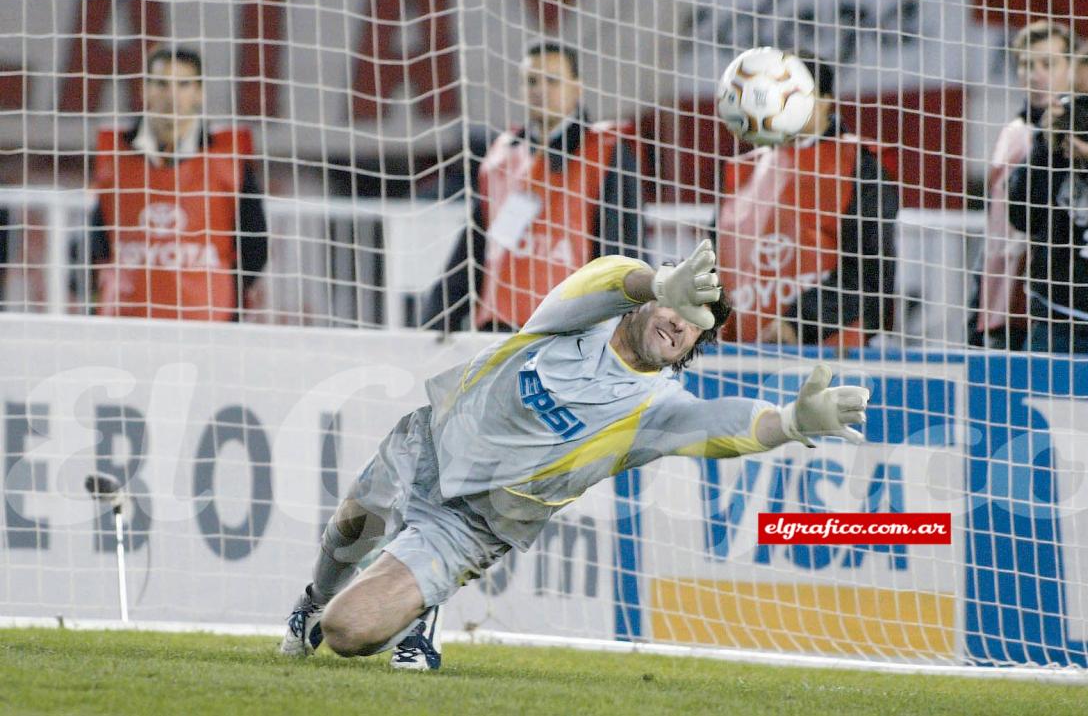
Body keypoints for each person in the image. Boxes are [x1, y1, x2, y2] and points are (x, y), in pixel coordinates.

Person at [280, 242, 870, 670]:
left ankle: (411, 603)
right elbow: (609, 278)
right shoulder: (575, 319)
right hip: (431, 442)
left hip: (475, 521)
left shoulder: (654, 411)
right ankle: (309, 602)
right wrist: (660, 282)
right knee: (351, 530)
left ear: (693, 348)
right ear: (650, 304)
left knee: (347, 632)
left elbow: (725, 423)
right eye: (675, 309)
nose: (677, 326)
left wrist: (792, 422)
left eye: (693, 328)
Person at [419, 40, 641, 332]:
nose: (540, 90)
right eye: (532, 81)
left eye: (552, 80)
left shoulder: (607, 151)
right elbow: (474, 245)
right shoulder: (502, 154)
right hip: (499, 328)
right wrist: (436, 319)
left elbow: (622, 249)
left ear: (576, 88)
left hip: (570, 330)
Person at [716, 55, 899, 350]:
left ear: (826, 101)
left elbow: (870, 272)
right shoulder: (743, 170)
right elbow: (715, 262)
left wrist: (799, 322)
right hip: (739, 352)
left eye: (795, 96)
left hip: (828, 353)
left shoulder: (860, 165)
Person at [86, 46, 268, 321]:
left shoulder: (228, 159)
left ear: (199, 93)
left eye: (183, 85)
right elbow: (95, 241)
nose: (172, 96)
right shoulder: (114, 156)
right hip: (125, 321)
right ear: (145, 90)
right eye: (161, 84)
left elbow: (255, 248)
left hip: (208, 322)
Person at [1008, 40, 1088, 356]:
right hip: (1052, 319)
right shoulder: (1057, 143)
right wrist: (1044, 146)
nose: (1085, 110)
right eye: (1077, 98)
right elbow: (1023, 217)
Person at [971, 21, 1076, 350]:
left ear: (1072, 68)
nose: (1035, 75)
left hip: (1056, 307)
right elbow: (995, 226)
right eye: (1026, 65)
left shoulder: (1085, 139)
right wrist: (979, 302)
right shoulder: (1011, 132)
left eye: (1048, 64)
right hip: (1004, 305)